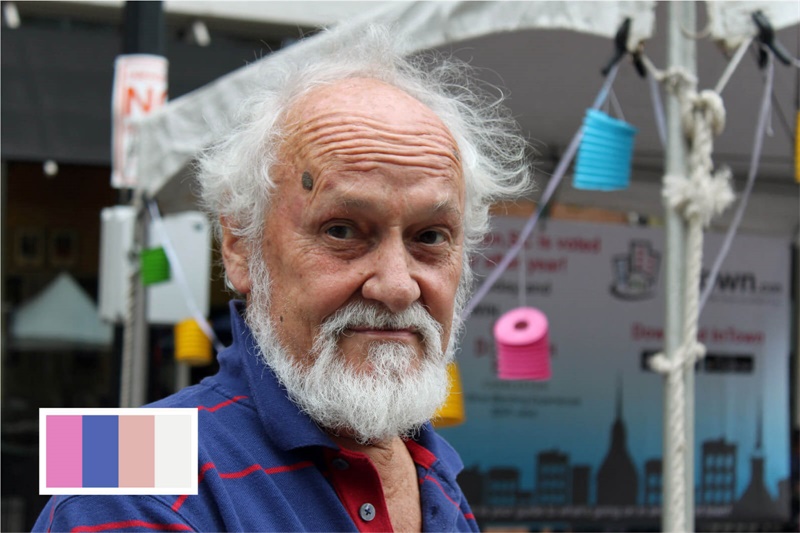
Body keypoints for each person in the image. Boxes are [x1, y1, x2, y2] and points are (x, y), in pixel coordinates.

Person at [34, 25, 531, 533]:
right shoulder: (119, 467)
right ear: (240, 246)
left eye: (430, 236)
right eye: (342, 230)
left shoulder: (434, 470)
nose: (398, 286)